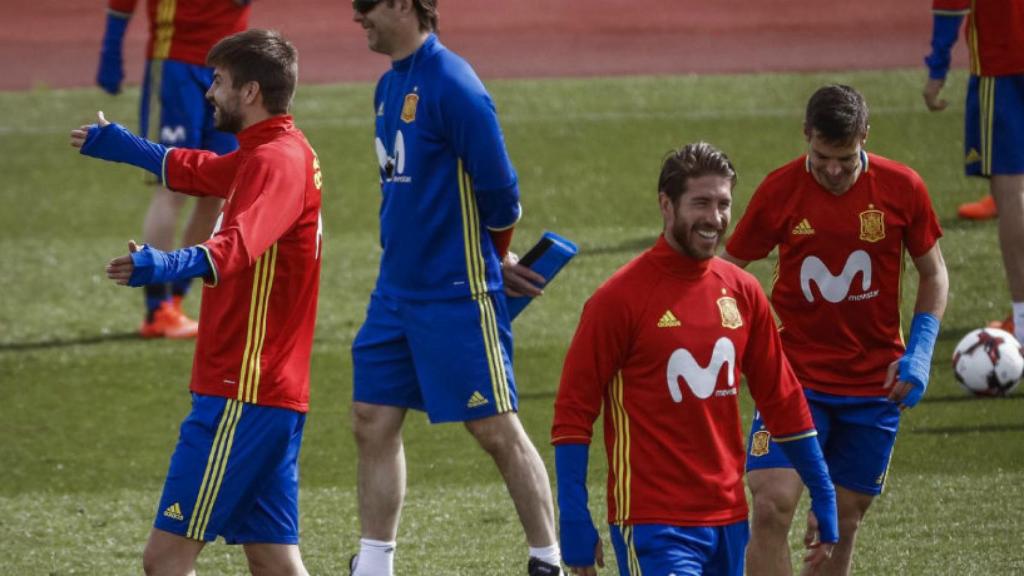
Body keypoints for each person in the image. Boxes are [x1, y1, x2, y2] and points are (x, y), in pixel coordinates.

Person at [72, 29, 321, 575]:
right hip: (265, 393)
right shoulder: (270, 151)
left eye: (220, 81)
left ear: (250, 92)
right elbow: (198, 170)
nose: (209, 91)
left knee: (165, 560)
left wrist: (162, 265)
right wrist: (122, 146)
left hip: (242, 391)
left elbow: (232, 249)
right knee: (276, 562)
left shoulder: (276, 162)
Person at [552, 142, 839, 576]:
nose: (715, 218)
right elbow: (573, 412)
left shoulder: (742, 291)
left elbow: (783, 400)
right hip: (652, 522)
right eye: (701, 203)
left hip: (728, 519)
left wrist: (823, 493)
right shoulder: (618, 300)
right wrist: (574, 516)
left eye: (723, 204)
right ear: (666, 205)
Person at [347, 1, 562, 574]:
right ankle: (374, 562)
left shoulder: (454, 84)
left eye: (365, 6)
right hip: (395, 292)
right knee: (372, 417)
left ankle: (548, 558)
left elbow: (502, 192)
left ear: (403, 5)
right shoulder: (388, 87)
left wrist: (491, 260)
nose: (356, 17)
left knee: (493, 427)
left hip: (455, 295)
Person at [723, 85, 949, 576]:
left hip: (873, 386)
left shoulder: (902, 187)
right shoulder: (780, 190)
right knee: (771, 505)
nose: (833, 171)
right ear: (807, 135)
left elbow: (933, 273)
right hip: (793, 378)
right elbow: (729, 270)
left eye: (845, 160)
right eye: (823, 156)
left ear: (865, 136)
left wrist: (921, 351)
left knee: (843, 523)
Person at [96, 0, 250, 338]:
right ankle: (158, 308)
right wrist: (111, 46)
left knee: (218, 190)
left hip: (229, 67)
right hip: (176, 64)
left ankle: (176, 300)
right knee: (172, 184)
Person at [923, 0, 1024, 337]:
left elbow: (952, 4)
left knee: (1012, 191)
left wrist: (938, 67)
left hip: (1005, 63)